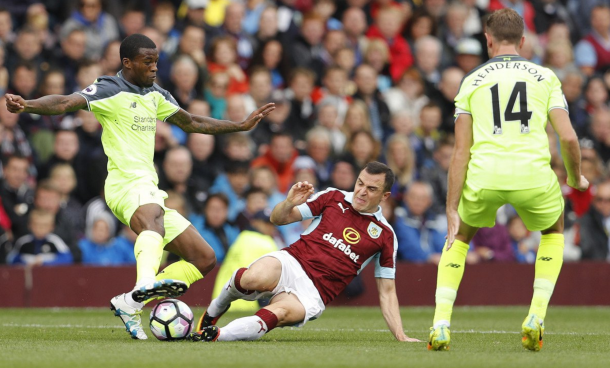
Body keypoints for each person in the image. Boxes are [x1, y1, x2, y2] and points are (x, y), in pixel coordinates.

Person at [4, 33, 275, 340]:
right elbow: (66, 102)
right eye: (148, 62)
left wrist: (239, 126)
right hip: (124, 184)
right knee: (153, 221)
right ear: (128, 63)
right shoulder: (109, 88)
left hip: (150, 189)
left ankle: (131, 302)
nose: (154, 68)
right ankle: (145, 284)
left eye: (156, 61)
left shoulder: (156, 94)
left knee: (204, 258)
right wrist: (27, 105)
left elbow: (193, 123)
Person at [427, 9, 589, 352]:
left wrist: (451, 207)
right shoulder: (545, 77)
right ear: (523, 41)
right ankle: (536, 316)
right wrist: (576, 177)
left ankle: (440, 323)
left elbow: (460, 152)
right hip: (533, 176)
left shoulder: (471, 80)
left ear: (488, 40)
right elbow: (570, 138)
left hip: (485, 176)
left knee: (459, 238)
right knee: (553, 231)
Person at [188, 161, 420, 343]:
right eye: (360, 183)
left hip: (314, 293)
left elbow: (387, 291)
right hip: (291, 262)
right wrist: (289, 203)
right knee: (251, 278)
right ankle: (213, 312)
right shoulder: (333, 197)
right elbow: (277, 219)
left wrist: (400, 334)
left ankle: (216, 335)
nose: (361, 192)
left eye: (371, 189)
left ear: (385, 196)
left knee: (276, 314)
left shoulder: (385, 235)